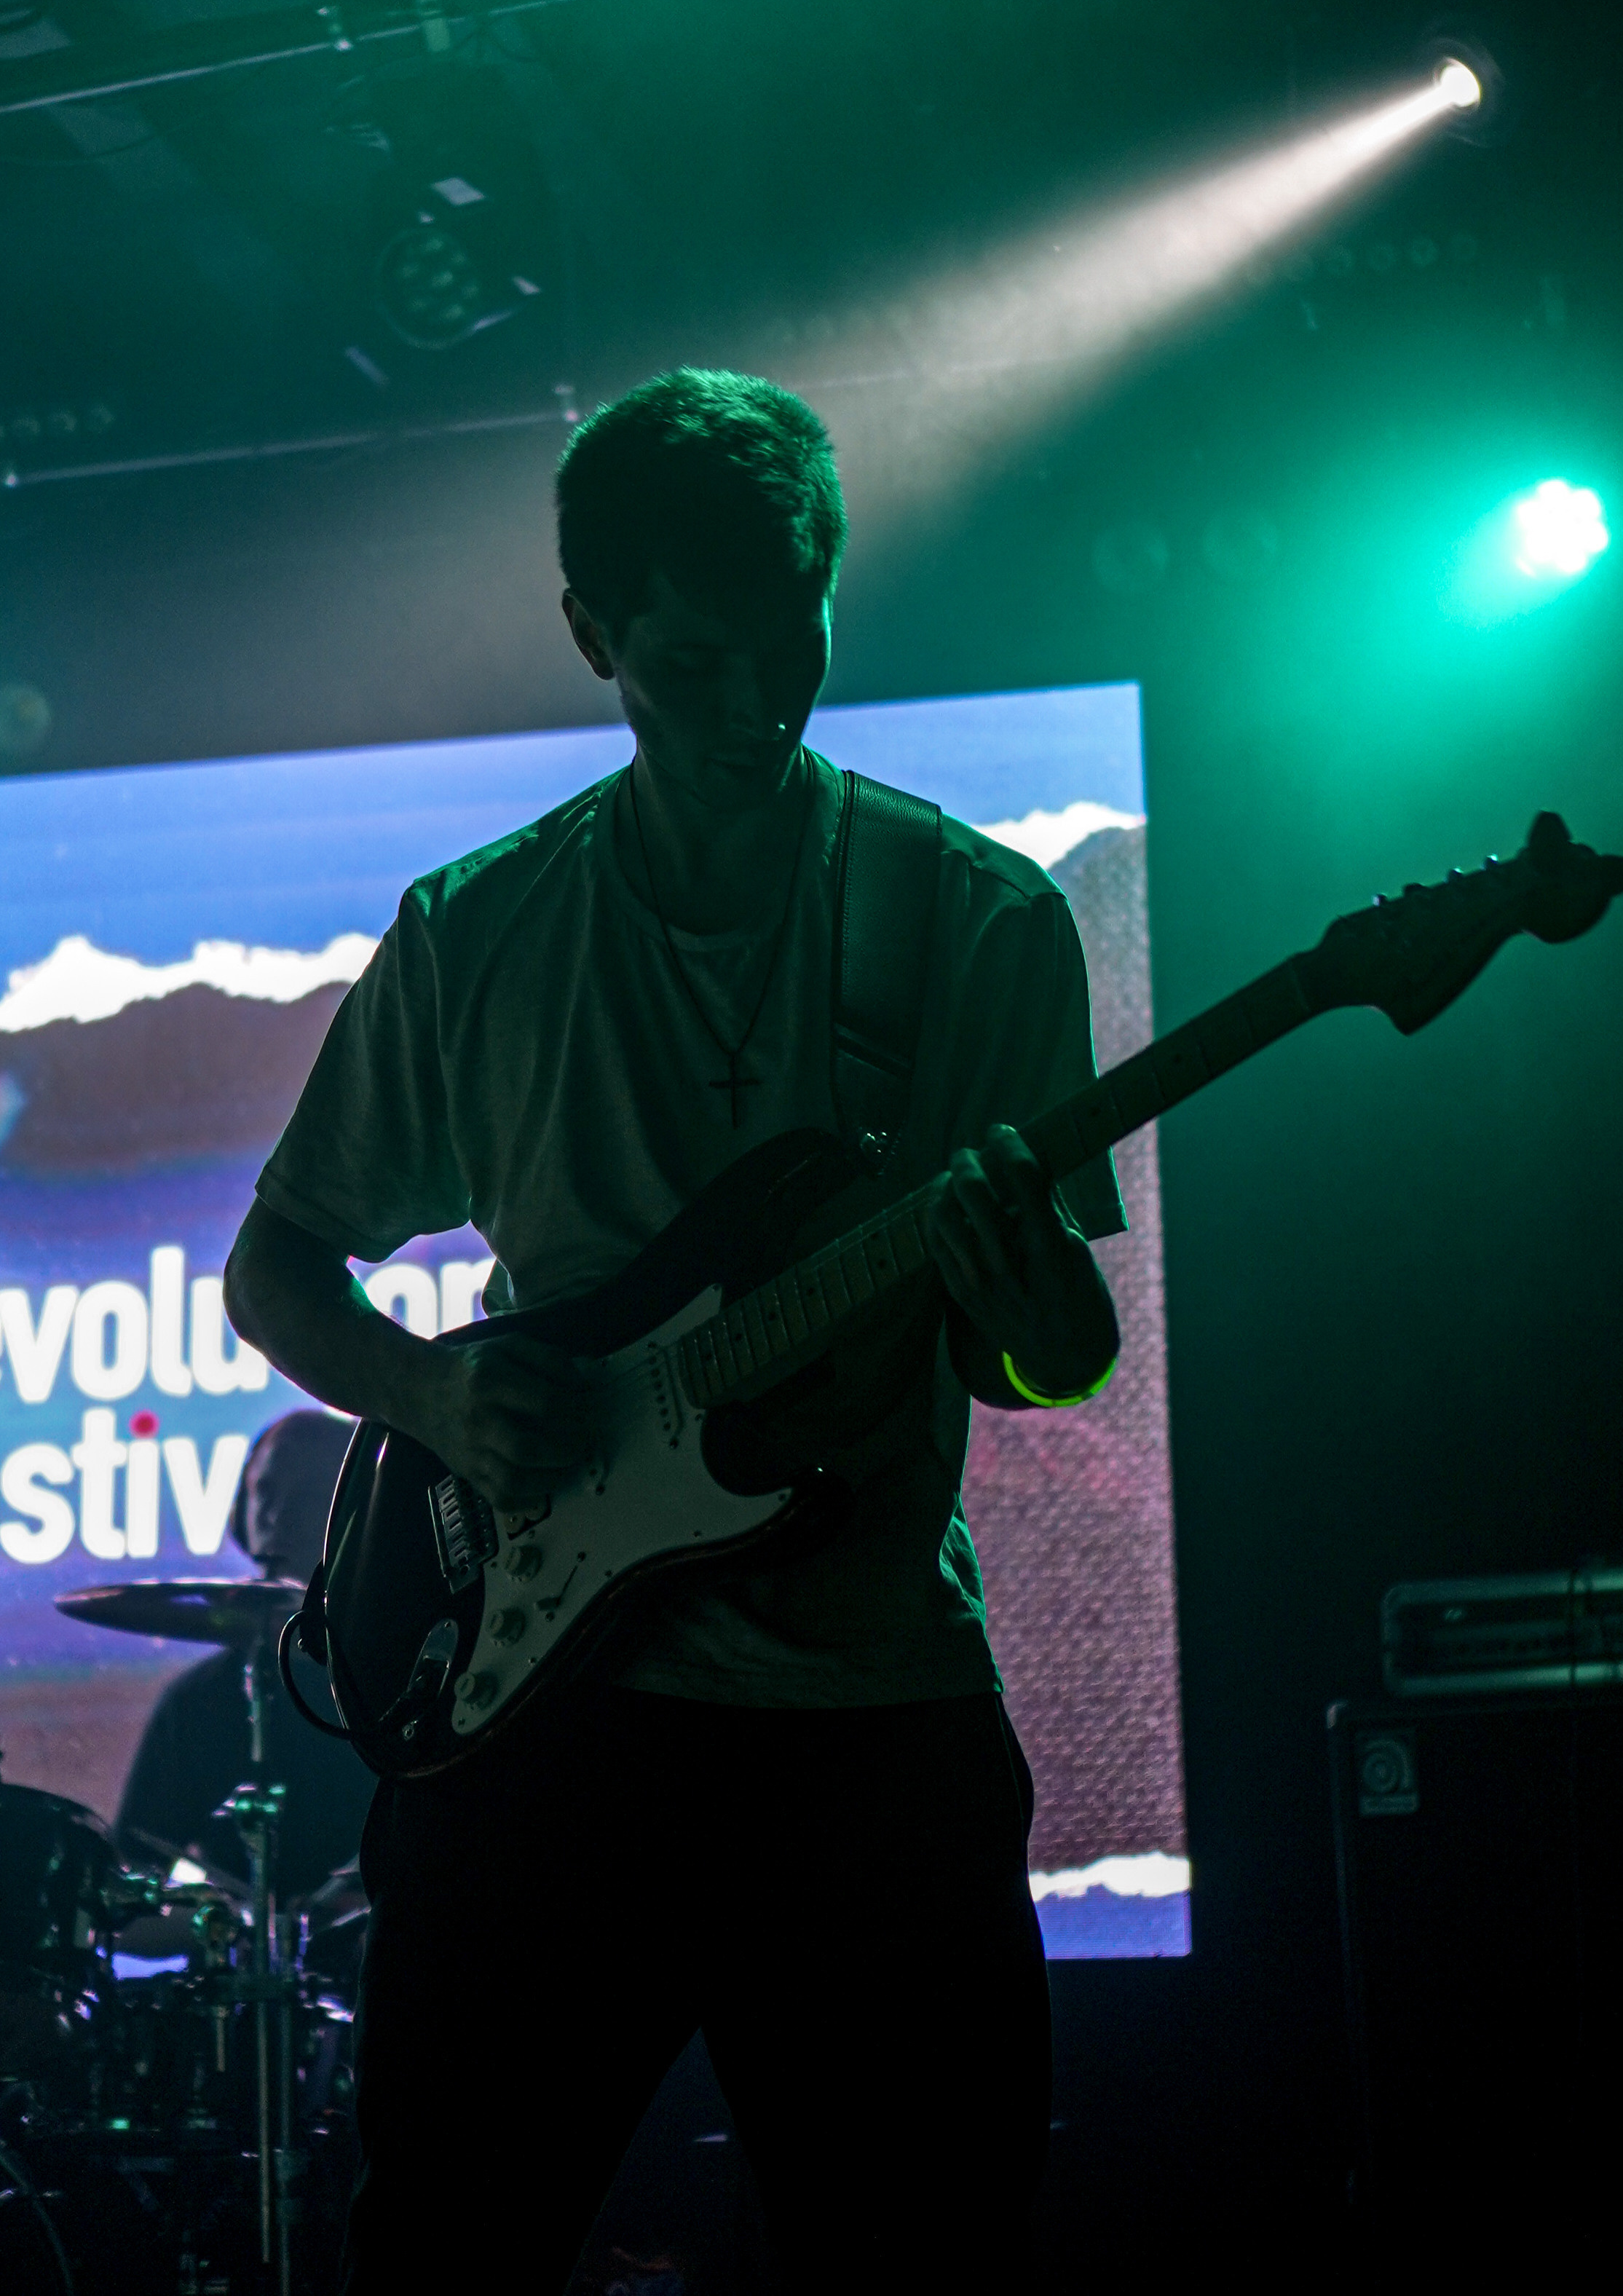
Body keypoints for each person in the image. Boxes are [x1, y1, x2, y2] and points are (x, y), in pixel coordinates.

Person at [222, 369, 1124, 2295]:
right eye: (690, 659)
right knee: (448, 2252)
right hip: (544, 1725)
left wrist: (1025, 1286)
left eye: (784, 641)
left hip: (866, 1718)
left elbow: (1039, 1363)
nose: (750, 705)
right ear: (592, 634)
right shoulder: (478, 929)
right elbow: (276, 1264)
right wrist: (433, 1390)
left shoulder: (969, 923)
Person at [116, 1408, 378, 1899]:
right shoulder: (197, 1704)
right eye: (266, 1494)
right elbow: (127, 1883)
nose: (277, 1515)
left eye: (304, 1496)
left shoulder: (398, 1686)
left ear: (352, 1512)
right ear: (241, 1513)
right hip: (238, 1970)